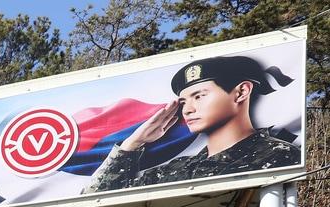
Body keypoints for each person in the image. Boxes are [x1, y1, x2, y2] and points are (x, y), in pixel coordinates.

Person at [86, 54, 299, 194]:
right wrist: (132, 144)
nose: (187, 110)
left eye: (199, 96)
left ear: (241, 92)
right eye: (183, 102)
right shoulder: (172, 170)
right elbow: (93, 202)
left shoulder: (278, 155)